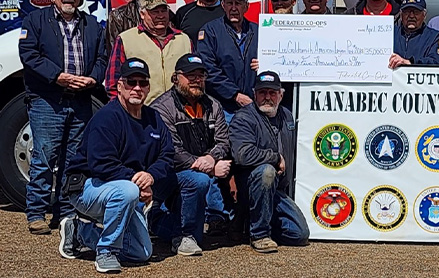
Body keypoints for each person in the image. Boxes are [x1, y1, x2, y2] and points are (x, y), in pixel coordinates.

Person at [60, 58, 174, 273]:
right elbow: (101, 165)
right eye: (131, 82)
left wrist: (150, 176)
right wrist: (137, 181)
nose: (137, 88)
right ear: (120, 86)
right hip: (88, 187)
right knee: (128, 190)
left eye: (142, 83)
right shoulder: (107, 117)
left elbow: (167, 156)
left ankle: (80, 232)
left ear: (149, 88)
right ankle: (106, 251)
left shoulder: (154, 118)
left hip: (125, 189)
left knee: (141, 252)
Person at [18, 0, 108, 235]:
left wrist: (92, 79)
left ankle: (67, 212)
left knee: (74, 161)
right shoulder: (35, 20)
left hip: (80, 99)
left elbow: (103, 58)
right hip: (48, 99)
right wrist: (57, 76)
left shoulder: (92, 24)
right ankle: (36, 213)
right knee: (44, 157)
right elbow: (29, 55)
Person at [149, 54, 232, 256]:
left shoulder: (213, 105)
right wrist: (209, 167)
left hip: (199, 171)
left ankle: (166, 224)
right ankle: (166, 226)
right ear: (175, 78)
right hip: (166, 175)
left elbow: (224, 141)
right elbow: (172, 151)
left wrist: (212, 158)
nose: (196, 80)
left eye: (200, 75)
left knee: (198, 237)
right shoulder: (161, 108)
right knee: (199, 180)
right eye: (190, 75)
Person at [229, 71, 310, 253]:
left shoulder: (287, 116)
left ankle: (247, 221)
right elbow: (242, 155)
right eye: (262, 92)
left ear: (281, 94)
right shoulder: (243, 118)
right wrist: (275, 157)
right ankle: (259, 234)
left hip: (277, 191)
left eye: (272, 93)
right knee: (266, 171)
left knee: (299, 234)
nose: (267, 97)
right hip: (251, 187)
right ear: (254, 94)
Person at [107, 0, 192, 105]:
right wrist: (120, 109)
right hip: (141, 110)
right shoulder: (126, 39)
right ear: (142, 14)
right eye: (155, 12)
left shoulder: (184, 39)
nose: (160, 16)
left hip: (180, 111)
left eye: (163, 11)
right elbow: (113, 81)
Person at [197, 0, 259, 117]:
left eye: (238, 3)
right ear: (223, 5)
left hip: (254, 106)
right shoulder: (210, 31)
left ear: (246, 6)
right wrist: (234, 94)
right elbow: (208, 69)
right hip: (223, 108)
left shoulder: (258, 31)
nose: (234, 8)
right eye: (230, 3)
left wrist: (264, 64)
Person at [389, 0, 439, 68]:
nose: (411, 16)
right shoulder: (390, 33)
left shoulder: (436, 38)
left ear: (424, 15)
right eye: (407, 12)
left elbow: (438, 61)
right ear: (401, 14)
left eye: (416, 12)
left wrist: (410, 62)